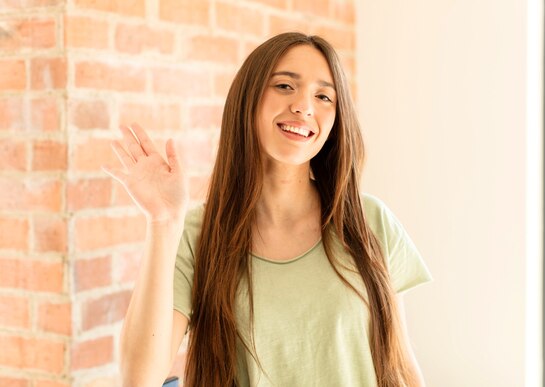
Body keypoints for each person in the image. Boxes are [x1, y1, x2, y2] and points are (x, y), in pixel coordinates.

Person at [106, 32, 432, 387]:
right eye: (284, 86)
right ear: (249, 97)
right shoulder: (198, 234)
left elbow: (401, 367)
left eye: (324, 96)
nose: (304, 106)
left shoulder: (370, 222)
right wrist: (163, 221)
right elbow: (139, 379)